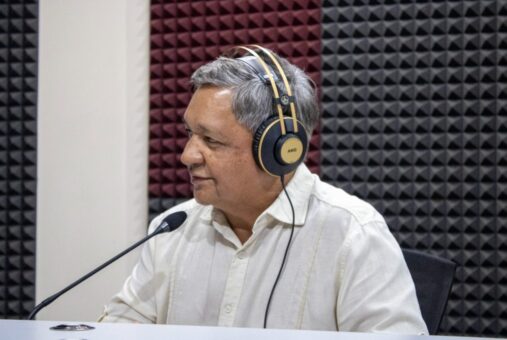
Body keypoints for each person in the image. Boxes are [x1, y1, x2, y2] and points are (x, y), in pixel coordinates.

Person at [99, 45, 428, 334]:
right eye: (190, 134)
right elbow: (120, 324)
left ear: (279, 148)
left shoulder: (353, 234)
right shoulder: (172, 229)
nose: (187, 156)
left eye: (211, 140)